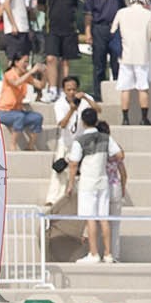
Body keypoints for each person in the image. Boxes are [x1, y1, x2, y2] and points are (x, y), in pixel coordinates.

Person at [66, 106, 122, 264]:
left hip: (88, 182)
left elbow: (73, 164)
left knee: (90, 218)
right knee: (104, 218)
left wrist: (70, 184)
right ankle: (108, 254)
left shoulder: (80, 141)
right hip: (103, 181)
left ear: (83, 122)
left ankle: (94, 253)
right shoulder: (106, 138)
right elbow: (119, 155)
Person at [110, 0, 151, 126]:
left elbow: (113, 31)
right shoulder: (148, 15)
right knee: (142, 87)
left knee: (125, 88)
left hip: (125, 55)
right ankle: (144, 118)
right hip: (142, 56)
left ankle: (125, 119)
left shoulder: (121, 13)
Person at [44, 75, 94, 209]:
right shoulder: (60, 104)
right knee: (59, 169)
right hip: (65, 142)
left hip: (82, 142)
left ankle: (77, 198)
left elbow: (98, 110)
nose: (71, 92)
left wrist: (86, 99)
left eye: (74, 89)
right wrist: (71, 110)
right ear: (64, 90)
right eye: (68, 90)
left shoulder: (85, 100)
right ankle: (53, 198)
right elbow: (62, 124)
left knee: (82, 170)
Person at [82, 0, 125, 96]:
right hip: (99, 28)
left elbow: (122, 10)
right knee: (99, 64)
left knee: (117, 62)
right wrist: (88, 33)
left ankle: (119, 92)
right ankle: (99, 94)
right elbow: (88, 14)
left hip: (116, 29)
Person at [41, 0, 80, 100]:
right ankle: (52, 89)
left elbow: (74, 5)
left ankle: (64, 89)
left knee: (65, 61)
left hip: (69, 27)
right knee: (51, 58)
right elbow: (41, 5)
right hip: (52, 27)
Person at [0, 53, 45, 150]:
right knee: (19, 116)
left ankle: (30, 146)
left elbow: (40, 86)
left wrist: (44, 73)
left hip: (17, 111)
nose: (26, 64)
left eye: (28, 62)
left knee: (37, 117)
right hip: (3, 112)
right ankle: (13, 145)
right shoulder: (9, 74)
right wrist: (31, 72)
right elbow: (16, 83)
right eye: (25, 62)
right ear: (17, 62)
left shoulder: (25, 76)